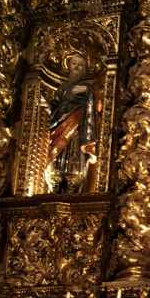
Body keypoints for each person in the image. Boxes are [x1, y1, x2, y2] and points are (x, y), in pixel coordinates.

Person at [45, 52, 99, 193]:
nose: (76, 67)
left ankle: (73, 185)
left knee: (74, 156)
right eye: (74, 64)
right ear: (68, 66)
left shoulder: (87, 87)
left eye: (80, 65)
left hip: (77, 128)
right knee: (57, 158)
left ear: (85, 70)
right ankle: (54, 184)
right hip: (58, 128)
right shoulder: (62, 88)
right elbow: (54, 106)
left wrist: (88, 92)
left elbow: (93, 105)